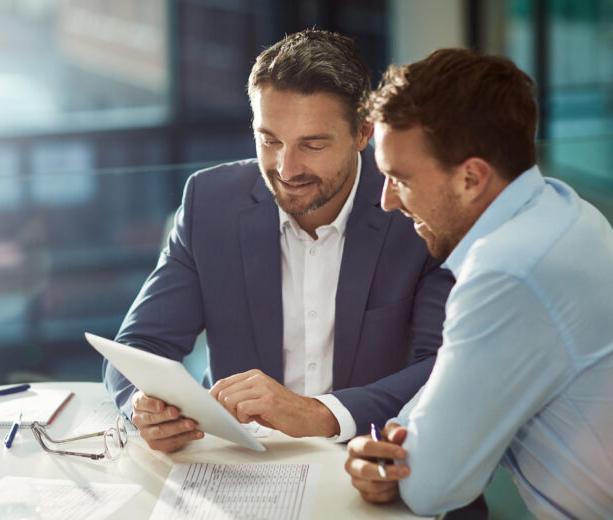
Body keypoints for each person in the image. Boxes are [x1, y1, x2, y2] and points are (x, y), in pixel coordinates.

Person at [104, 29, 454, 453]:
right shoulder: (210, 203)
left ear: (363, 134)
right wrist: (145, 405)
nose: (287, 168)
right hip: (240, 463)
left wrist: (321, 414)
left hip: (369, 457)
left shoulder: (414, 211)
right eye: (269, 140)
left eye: (313, 144)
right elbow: (138, 347)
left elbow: (444, 367)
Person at [344, 48, 613, 518]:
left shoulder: (507, 273)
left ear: (471, 178)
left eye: (399, 179)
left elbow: (430, 487)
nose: (386, 201)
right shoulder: (563, 210)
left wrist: (399, 459)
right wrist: (399, 440)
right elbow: (442, 399)